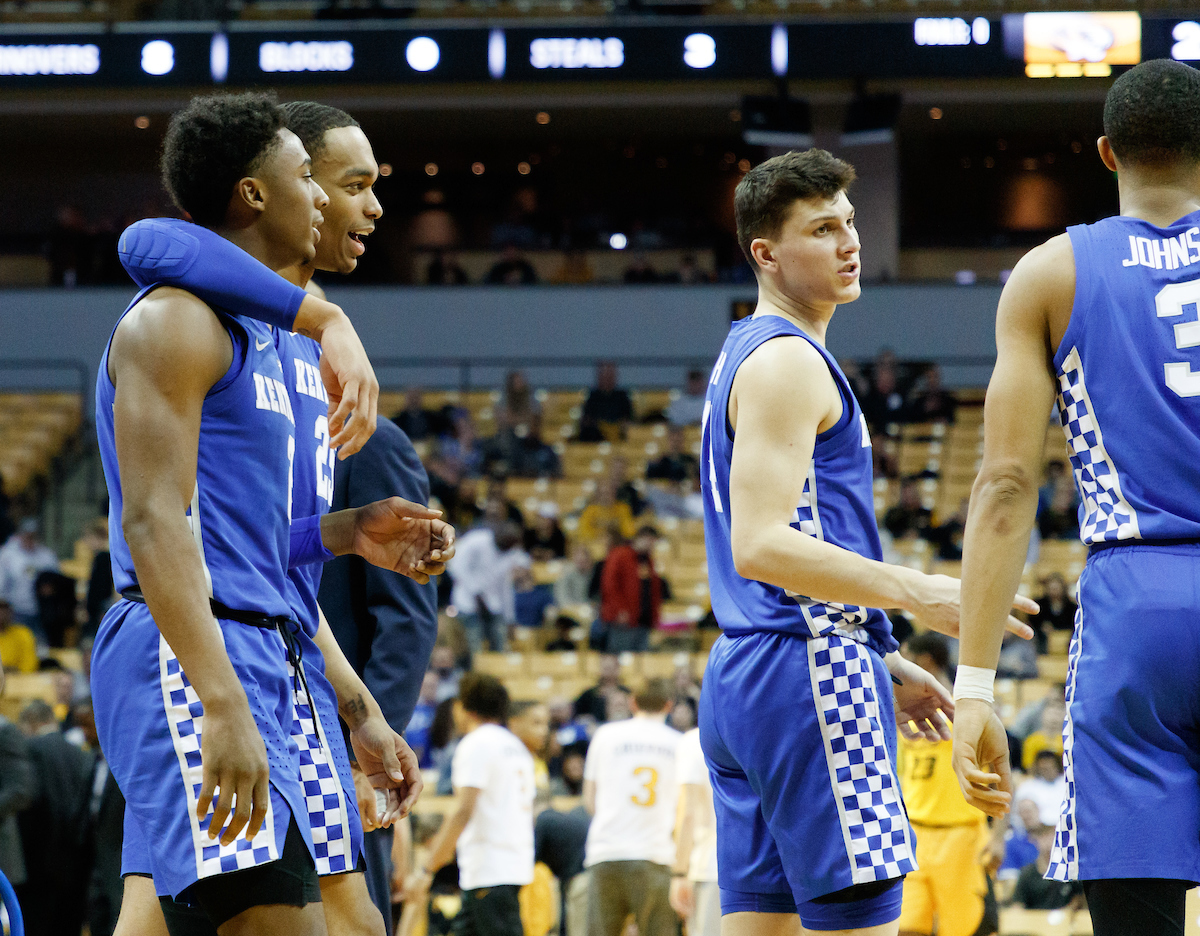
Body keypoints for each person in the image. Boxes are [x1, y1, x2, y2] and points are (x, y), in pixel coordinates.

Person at [97, 92, 443, 936]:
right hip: (198, 652)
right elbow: (155, 526)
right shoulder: (179, 320)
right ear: (256, 192)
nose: (335, 201)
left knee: (350, 920)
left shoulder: (288, 346)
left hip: (277, 647)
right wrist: (220, 701)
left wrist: (359, 702)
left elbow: (251, 549)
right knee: (281, 922)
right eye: (322, 181)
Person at [696, 149, 1035, 935]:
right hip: (811, 672)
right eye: (822, 229)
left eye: (849, 222)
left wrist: (881, 655)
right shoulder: (787, 360)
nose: (849, 242)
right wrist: (923, 593)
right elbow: (760, 545)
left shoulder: (749, 348)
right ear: (766, 253)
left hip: (751, 673)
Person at [950, 59, 1200, 936]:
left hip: (1135, 606)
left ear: (1106, 153)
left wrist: (974, 686)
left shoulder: (1050, 271)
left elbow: (1006, 484)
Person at [404, 674, 535, 936]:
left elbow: (462, 811)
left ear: (463, 707)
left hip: (490, 869)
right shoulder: (516, 746)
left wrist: (427, 868)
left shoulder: (476, 743)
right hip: (509, 863)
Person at [895, 634, 999, 936]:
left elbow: (999, 774)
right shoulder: (902, 708)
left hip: (960, 834)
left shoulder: (965, 709)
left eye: (907, 655)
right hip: (914, 832)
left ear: (925, 661)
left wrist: (999, 835)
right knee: (906, 927)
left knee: (962, 929)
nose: (900, 662)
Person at [582, 679, 681, 936]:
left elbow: (589, 800)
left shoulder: (605, 735)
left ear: (632, 702)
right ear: (669, 705)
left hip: (607, 852)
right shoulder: (678, 743)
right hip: (655, 854)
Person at [17, 698, 94, 936]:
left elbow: (28, 805)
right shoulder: (81, 753)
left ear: (30, 723)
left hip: (37, 867)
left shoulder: (28, 749)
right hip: (76, 865)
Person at [450, 520, 529, 654]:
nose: (507, 547)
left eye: (510, 544)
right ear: (498, 535)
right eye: (505, 542)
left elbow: (505, 588)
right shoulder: (477, 540)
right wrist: (476, 592)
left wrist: (510, 618)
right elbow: (455, 566)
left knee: (500, 644)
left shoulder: (510, 554)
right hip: (468, 602)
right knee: (475, 649)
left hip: (493, 605)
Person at [670, 725, 719, 936]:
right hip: (764, 866)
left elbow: (688, 812)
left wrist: (679, 873)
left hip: (711, 865)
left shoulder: (693, 740)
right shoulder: (758, 729)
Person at [599, 526, 662, 654]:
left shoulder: (648, 561)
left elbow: (653, 591)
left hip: (643, 621)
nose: (651, 545)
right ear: (641, 538)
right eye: (650, 541)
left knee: (642, 660)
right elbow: (609, 586)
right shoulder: (620, 555)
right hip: (623, 621)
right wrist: (619, 610)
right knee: (622, 657)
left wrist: (655, 616)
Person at [0, 518, 60, 639]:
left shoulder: (46, 556)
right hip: (16, 611)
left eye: (33, 536)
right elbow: (2, 585)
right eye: (27, 535)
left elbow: (57, 581)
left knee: (40, 644)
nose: (30, 539)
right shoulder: (8, 555)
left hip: (40, 612)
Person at [1010, 824, 1082, 911]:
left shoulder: (1070, 871)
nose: (1048, 842)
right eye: (1044, 836)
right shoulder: (1027, 874)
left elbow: (1079, 899)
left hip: (1064, 916)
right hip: (1034, 918)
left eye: (1053, 836)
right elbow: (1018, 904)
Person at [579, 362, 633, 443]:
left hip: (620, 437)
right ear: (599, 377)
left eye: (610, 375)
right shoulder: (592, 397)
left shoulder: (622, 396)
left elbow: (629, 419)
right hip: (597, 439)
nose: (607, 379)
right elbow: (587, 420)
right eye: (605, 375)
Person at [1013, 751, 1068, 829]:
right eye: (1044, 769)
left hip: (1066, 827)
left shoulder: (1067, 784)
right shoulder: (1027, 787)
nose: (1048, 771)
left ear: (1057, 766)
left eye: (1051, 767)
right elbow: (1016, 816)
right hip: (1036, 830)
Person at [575, 483, 637, 549]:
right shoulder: (590, 510)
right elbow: (584, 532)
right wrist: (600, 536)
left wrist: (615, 536)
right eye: (603, 494)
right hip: (596, 545)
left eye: (609, 493)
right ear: (598, 495)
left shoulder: (623, 508)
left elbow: (629, 531)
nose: (606, 496)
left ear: (614, 494)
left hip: (618, 545)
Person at [1027, 572, 1077, 654]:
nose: (1054, 591)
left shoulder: (1072, 607)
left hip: (1066, 636)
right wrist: (1042, 626)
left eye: (1056, 588)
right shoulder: (1038, 605)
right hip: (1042, 638)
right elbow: (1033, 621)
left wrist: (1059, 630)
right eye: (1052, 588)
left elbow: (1074, 623)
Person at [508, 699, 551, 793]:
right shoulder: (506, 761)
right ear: (514, 724)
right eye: (537, 723)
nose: (545, 731)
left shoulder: (538, 762)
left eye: (546, 724)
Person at [573, 654, 629, 723]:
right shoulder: (588, 694)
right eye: (605, 668)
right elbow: (577, 715)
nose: (608, 672)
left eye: (610, 668)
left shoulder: (626, 693)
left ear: (617, 669)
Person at [0, 599, 37, 673]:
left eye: (5, 610)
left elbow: (30, 664)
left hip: (19, 677)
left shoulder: (23, 633)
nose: (2, 615)